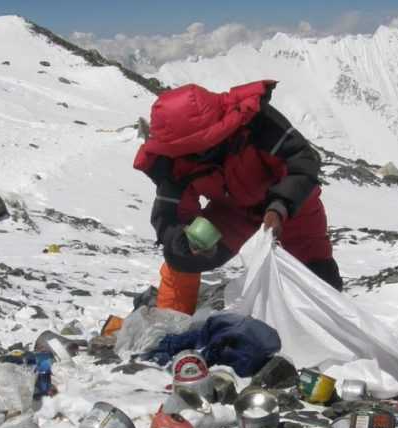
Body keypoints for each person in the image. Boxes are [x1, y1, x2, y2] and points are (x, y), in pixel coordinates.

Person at [133, 80, 343, 315]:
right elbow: (170, 215)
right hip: (232, 211)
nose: (198, 156)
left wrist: (279, 208)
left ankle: (329, 328)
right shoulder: (175, 160)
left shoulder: (255, 122)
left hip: (290, 203)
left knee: (317, 274)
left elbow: (302, 163)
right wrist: (183, 242)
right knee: (180, 258)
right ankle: (172, 322)